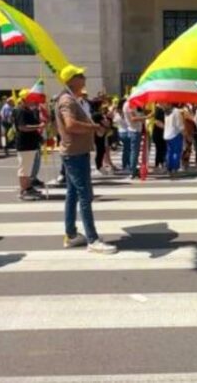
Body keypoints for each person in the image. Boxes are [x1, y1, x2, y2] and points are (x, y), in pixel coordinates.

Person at [55, 64, 117, 254]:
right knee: (85, 196)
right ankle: (92, 240)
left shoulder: (72, 99)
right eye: (80, 75)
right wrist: (94, 128)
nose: (84, 78)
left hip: (75, 152)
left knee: (73, 194)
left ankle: (71, 235)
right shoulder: (67, 100)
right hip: (75, 153)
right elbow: (70, 125)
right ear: (71, 80)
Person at [14, 93, 45, 201]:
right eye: (30, 99)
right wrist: (38, 126)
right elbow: (22, 127)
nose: (32, 101)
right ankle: (23, 190)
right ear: (24, 100)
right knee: (24, 169)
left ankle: (28, 187)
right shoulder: (21, 111)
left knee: (28, 168)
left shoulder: (28, 111)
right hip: (25, 144)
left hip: (30, 144)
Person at [123, 99, 146, 179]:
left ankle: (133, 170)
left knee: (134, 152)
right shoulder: (129, 104)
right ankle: (132, 171)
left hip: (134, 130)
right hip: (134, 130)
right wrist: (146, 117)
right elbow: (133, 118)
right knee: (134, 152)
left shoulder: (130, 104)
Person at [163, 104, 184, 175]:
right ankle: (174, 168)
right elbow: (179, 125)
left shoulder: (166, 112)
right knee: (176, 152)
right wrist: (184, 132)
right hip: (175, 134)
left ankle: (169, 168)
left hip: (167, 134)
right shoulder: (176, 111)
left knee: (169, 152)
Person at [152, 104, 166, 169]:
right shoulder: (158, 109)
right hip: (158, 133)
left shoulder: (164, 109)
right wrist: (166, 127)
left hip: (163, 132)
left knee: (163, 148)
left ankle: (161, 163)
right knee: (159, 148)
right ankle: (159, 163)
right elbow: (157, 122)